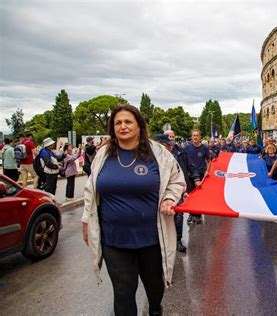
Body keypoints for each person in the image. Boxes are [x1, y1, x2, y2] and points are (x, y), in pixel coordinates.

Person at [82, 104, 186, 315]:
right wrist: (86, 220)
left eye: (128, 122)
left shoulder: (158, 153)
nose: (123, 126)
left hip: (152, 240)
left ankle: (155, 310)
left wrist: (169, 199)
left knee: (155, 288)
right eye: (118, 123)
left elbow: (177, 181)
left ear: (139, 126)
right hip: (114, 240)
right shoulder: (103, 155)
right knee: (122, 293)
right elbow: (90, 190)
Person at [163, 129, 200, 252]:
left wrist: (196, 179)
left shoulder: (181, 151)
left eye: (173, 136)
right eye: (168, 136)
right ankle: (165, 241)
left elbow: (191, 166)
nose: (171, 138)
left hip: (179, 189)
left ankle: (178, 240)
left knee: (179, 215)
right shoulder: (157, 153)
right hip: (162, 189)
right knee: (164, 216)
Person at [184, 129, 210, 224]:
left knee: (198, 196)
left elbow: (208, 161)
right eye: (193, 135)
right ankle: (191, 214)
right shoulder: (186, 148)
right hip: (190, 176)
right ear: (191, 137)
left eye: (197, 135)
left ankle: (198, 215)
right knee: (190, 196)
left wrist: (207, 171)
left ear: (200, 137)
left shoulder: (204, 148)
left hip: (201, 175)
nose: (195, 137)